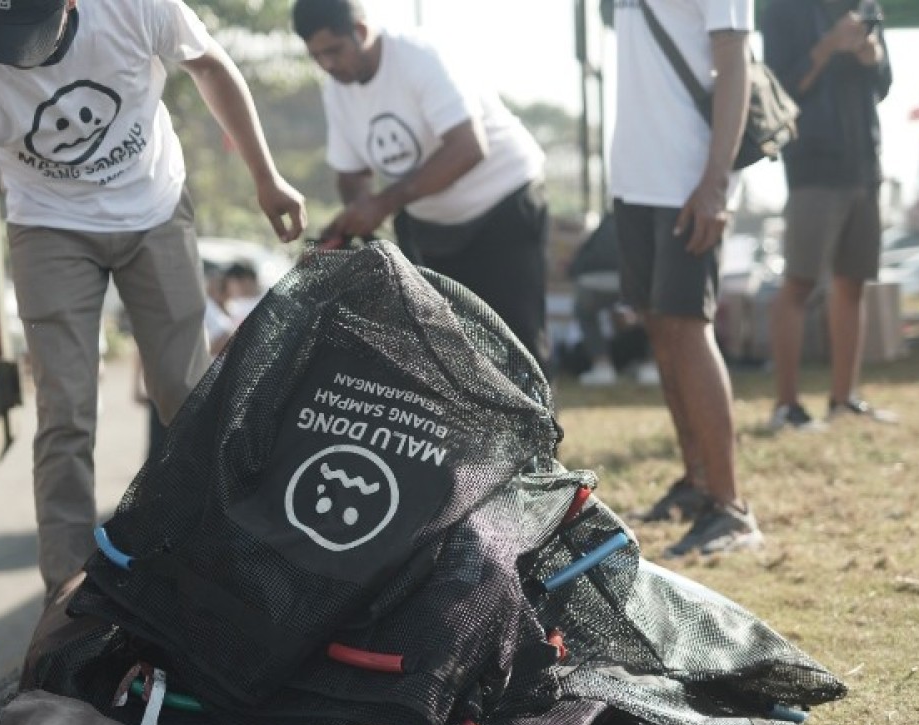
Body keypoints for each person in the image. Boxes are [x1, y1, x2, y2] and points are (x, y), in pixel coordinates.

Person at [0, 0, 306, 598]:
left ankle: (229, 558)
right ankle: (66, 594)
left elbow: (210, 66)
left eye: (31, 38)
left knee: (187, 394)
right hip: (48, 226)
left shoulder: (132, 7)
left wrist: (264, 175)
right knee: (65, 411)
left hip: (154, 206)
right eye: (3, 38)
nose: (18, 59)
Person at [291, 0, 551, 371]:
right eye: (317, 55)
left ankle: (536, 429)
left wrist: (381, 203)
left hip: (503, 203)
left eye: (334, 51)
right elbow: (352, 173)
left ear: (361, 31)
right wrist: (357, 213)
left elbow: (467, 146)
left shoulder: (417, 57)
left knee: (515, 345)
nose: (328, 65)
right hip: (430, 223)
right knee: (450, 352)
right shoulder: (337, 88)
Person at [610, 0, 762, 555]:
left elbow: (736, 63)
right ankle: (697, 483)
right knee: (661, 325)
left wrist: (716, 183)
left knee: (687, 325)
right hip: (633, 173)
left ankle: (732, 509)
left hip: (687, 175)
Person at [762, 0, 896, 430]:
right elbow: (777, 89)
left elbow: (885, 84)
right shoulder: (783, 11)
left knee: (852, 283)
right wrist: (829, 46)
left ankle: (844, 399)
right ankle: (787, 407)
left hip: (864, 164)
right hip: (813, 167)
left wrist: (870, 56)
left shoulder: (867, 7)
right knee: (800, 283)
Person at [568, 213, 659, 387]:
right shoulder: (651, 217)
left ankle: (602, 366)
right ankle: (651, 366)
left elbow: (581, 257)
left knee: (585, 312)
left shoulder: (609, 219)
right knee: (653, 314)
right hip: (636, 278)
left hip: (593, 280)